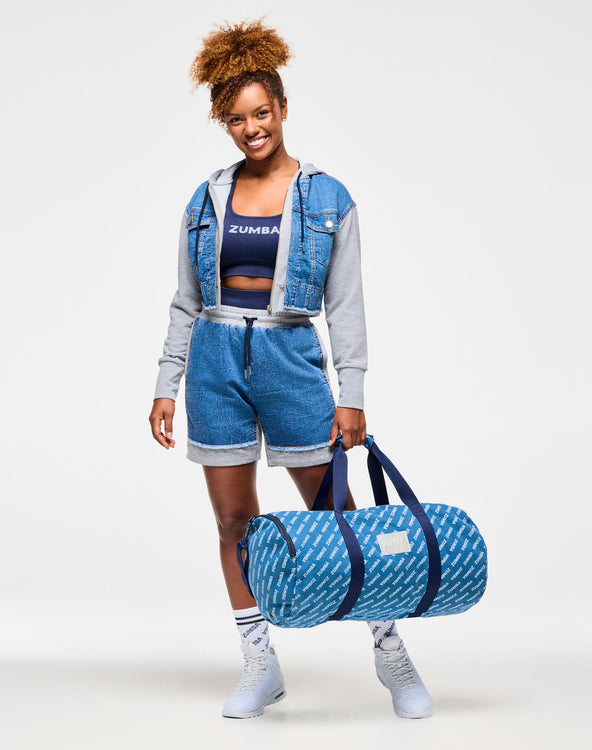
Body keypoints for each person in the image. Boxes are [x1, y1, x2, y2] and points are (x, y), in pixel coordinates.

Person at [149, 18, 432, 720]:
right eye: (236, 119)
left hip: (290, 359)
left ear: (282, 107)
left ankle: (391, 652)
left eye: (261, 113)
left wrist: (352, 392)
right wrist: (165, 383)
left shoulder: (329, 197)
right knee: (233, 521)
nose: (251, 129)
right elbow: (186, 299)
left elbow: (346, 304)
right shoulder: (206, 198)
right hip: (214, 361)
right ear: (224, 123)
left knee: (337, 514)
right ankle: (260, 664)